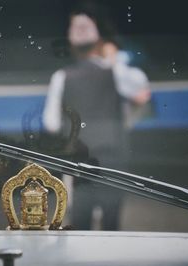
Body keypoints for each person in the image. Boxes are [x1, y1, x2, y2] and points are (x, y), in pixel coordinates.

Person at [43, 12, 150, 230]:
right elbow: (142, 96)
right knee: (111, 222)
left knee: (80, 222)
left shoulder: (61, 77)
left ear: (71, 45)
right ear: (100, 41)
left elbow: (51, 123)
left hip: (79, 160)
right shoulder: (117, 72)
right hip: (113, 156)